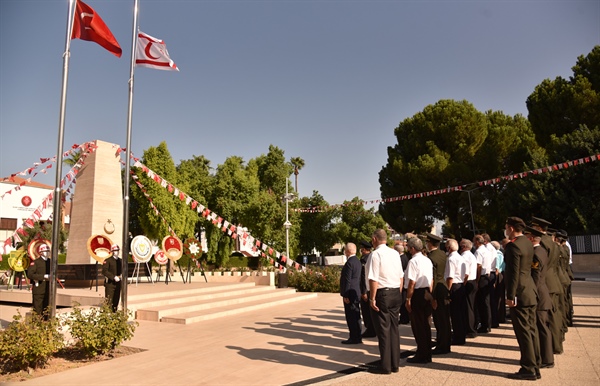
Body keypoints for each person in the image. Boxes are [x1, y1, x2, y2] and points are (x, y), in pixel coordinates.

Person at [504, 217, 540, 380]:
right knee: (531, 330)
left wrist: (510, 296)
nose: (505, 230)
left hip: (520, 293)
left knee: (523, 332)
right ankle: (535, 364)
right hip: (530, 291)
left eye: (506, 227)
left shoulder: (513, 246)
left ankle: (528, 368)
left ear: (511, 228)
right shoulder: (527, 242)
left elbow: (513, 274)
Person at [367, 229, 403, 374]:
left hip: (382, 293)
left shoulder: (375, 254)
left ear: (374, 239)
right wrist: (398, 292)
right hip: (395, 291)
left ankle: (386, 366)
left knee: (383, 330)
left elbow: (373, 278)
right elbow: (401, 276)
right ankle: (395, 363)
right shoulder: (395, 253)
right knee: (394, 329)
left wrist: (372, 298)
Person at [530, 216, 564, 355]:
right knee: (554, 315)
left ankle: (553, 347)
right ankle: (556, 344)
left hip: (545, 282)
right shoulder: (551, 241)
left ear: (538, 228)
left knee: (547, 319)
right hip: (553, 280)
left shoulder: (543, 243)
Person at [525, 226, 554, 369]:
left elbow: (535, 278)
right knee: (543, 328)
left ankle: (547, 359)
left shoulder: (536, 253)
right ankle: (545, 358)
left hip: (539, 296)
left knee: (542, 328)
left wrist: (532, 295)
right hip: (542, 293)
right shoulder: (541, 250)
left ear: (531, 239)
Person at [404, 236, 434, 364]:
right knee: (426, 324)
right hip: (427, 292)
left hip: (417, 293)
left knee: (418, 325)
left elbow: (412, 282)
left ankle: (421, 354)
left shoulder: (413, 261)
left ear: (412, 248)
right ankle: (427, 352)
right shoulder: (427, 260)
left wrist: (408, 299)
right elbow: (431, 279)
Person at [426, 233, 451, 355]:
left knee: (440, 320)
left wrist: (433, 297)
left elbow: (433, 278)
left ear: (430, 243)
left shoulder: (431, 257)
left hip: (437, 290)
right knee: (445, 319)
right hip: (444, 287)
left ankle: (442, 345)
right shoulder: (442, 254)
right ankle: (445, 343)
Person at [445, 238, 467, 345]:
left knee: (455, 314)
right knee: (461, 313)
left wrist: (447, 291)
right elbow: (466, 274)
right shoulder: (461, 257)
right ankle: (461, 335)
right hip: (461, 285)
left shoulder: (451, 259)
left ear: (449, 248)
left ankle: (458, 337)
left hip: (454, 285)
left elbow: (450, 277)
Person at [340, 243, 362, 344]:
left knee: (351, 316)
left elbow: (347, 280)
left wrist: (345, 295)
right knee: (356, 315)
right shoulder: (357, 261)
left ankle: (353, 337)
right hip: (356, 291)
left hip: (350, 293)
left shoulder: (349, 262)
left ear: (347, 251)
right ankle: (358, 336)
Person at [474, 234, 493, 333]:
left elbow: (478, 266)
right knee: (486, 302)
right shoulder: (487, 250)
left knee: (482, 303)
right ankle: (487, 324)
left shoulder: (478, 251)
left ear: (477, 241)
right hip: (487, 276)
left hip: (481, 277)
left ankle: (484, 324)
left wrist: (476, 281)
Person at [27, 243, 51, 320]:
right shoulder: (36, 262)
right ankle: (37, 325)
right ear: (40, 252)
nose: (47, 252)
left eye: (48, 251)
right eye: (45, 251)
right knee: (37, 308)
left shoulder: (51, 262)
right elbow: (30, 274)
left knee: (47, 309)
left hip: (48, 289)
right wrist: (43, 276)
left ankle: (46, 324)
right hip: (39, 289)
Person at [460, 239, 478, 338]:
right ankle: (472, 327)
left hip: (468, 282)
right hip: (473, 281)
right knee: (471, 306)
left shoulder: (465, 256)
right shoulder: (471, 255)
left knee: (468, 308)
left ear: (464, 246)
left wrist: (463, 284)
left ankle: (470, 329)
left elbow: (465, 273)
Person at [359, 240, 376, 338]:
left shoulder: (365, 259)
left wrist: (364, 291)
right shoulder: (370, 257)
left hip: (366, 290)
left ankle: (370, 330)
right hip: (368, 289)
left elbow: (364, 277)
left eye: (362, 249)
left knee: (366, 312)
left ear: (365, 249)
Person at [102, 244, 122, 312]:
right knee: (109, 300)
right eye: (115, 251)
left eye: (118, 250)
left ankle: (114, 313)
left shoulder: (120, 261)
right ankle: (108, 314)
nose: (117, 252)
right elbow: (104, 271)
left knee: (116, 300)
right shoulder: (108, 260)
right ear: (112, 251)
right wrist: (113, 277)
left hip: (118, 283)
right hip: (110, 283)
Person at [492, 240, 507, 325]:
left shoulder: (496, 255)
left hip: (498, 275)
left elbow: (497, 268)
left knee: (497, 297)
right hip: (502, 274)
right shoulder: (501, 253)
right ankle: (501, 316)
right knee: (500, 297)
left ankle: (498, 316)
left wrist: (494, 281)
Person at [397, 243, 411, 325]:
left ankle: (404, 318)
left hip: (403, 282)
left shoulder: (401, 259)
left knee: (403, 301)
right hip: (405, 282)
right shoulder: (405, 257)